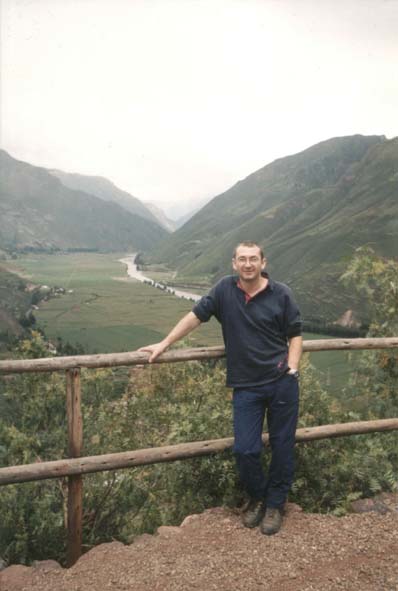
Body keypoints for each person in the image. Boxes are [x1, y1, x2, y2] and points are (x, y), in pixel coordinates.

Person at [139, 241, 302, 535]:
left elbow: (295, 335)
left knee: (282, 446)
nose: (248, 264)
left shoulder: (282, 294)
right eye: (243, 259)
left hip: (281, 384)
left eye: (253, 259)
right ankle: (258, 497)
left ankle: (275, 504)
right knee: (245, 449)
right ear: (234, 263)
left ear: (263, 262)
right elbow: (195, 317)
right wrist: (165, 343)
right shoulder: (224, 290)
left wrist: (292, 370)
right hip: (246, 387)